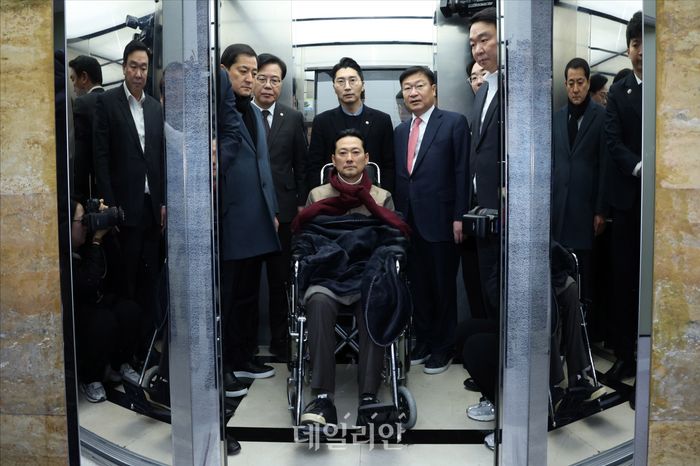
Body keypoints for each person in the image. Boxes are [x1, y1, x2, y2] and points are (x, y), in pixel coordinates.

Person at [292, 128, 410, 427]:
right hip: (327, 272)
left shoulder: (381, 197)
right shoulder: (318, 195)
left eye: (355, 152)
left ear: (366, 158)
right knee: (318, 301)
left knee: (376, 302)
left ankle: (368, 396)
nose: (349, 158)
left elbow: (392, 240)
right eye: (342, 153)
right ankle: (322, 397)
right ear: (333, 160)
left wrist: (381, 265)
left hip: (367, 275)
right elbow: (308, 239)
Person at [393, 66, 468, 374]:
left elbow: (462, 171)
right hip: (408, 222)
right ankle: (423, 341)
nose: (413, 93)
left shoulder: (453, 123)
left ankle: (444, 346)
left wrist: (459, 216)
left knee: (442, 287)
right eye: (407, 88)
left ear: (433, 89)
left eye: (419, 86)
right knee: (418, 287)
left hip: (442, 220)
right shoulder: (400, 131)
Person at [93, 40, 165, 345]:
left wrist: (164, 202)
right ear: (124, 68)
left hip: (152, 208)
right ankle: (127, 350)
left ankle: (148, 345)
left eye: (143, 67)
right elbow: (101, 158)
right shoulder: (107, 103)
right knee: (126, 281)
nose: (138, 73)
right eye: (133, 66)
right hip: (123, 209)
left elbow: (160, 158)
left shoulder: (155, 108)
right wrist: (110, 207)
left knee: (151, 279)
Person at [219, 43, 280, 382]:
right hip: (230, 219)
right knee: (227, 297)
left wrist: (271, 210)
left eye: (253, 73)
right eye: (243, 71)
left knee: (248, 296)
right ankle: (225, 365)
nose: (250, 79)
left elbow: (263, 165)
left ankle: (244, 356)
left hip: (257, 219)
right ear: (224, 71)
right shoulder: (216, 111)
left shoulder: (254, 112)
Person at [252, 53, 308, 360]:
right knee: (247, 284)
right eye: (262, 78)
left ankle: (280, 343)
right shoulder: (240, 115)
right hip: (249, 213)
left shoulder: (293, 117)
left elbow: (302, 164)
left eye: (275, 80)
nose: (268, 85)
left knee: (280, 282)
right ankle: (247, 345)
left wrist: (300, 204)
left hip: (285, 212)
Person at [603, 11, 643, 382]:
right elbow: (613, 142)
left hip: (663, 203)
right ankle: (625, 355)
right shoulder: (619, 91)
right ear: (628, 48)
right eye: (634, 44)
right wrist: (640, 167)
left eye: (646, 43)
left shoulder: (670, 85)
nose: (641, 51)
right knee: (623, 279)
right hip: (628, 200)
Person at [552, 58, 609, 307]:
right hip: (558, 210)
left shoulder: (602, 117)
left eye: (580, 83)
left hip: (585, 210)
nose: (575, 89)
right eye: (571, 83)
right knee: (559, 277)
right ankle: (562, 327)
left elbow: (605, 166)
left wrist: (601, 210)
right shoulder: (557, 118)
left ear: (588, 83)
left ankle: (584, 325)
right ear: (565, 85)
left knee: (584, 276)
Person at [70, 200, 140, 403]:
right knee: (103, 321)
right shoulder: (62, 252)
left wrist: (108, 234)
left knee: (129, 310)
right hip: (78, 307)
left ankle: (119, 363)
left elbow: (118, 271)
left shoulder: (89, 240)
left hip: (97, 300)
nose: (86, 225)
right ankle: (90, 378)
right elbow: (88, 283)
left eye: (87, 219)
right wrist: (96, 242)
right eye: (81, 221)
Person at [306, 57, 395, 193]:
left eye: (352, 80)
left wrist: (384, 197)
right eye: (341, 81)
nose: (347, 87)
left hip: (373, 196)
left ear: (363, 85)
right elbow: (314, 166)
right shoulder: (322, 122)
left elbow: (389, 166)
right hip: (333, 196)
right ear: (334, 87)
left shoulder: (382, 120)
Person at [468, 7, 501, 322]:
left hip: (507, 210)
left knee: (506, 290)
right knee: (489, 289)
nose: (478, 49)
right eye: (473, 44)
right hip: (482, 209)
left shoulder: (516, 87)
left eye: (484, 39)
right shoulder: (483, 91)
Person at [69, 55, 104, 203]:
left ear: (84, 77)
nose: (73, 85)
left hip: (93, 192)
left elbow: (81, 159)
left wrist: (78, 200)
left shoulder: (82, 104)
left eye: (73, 79)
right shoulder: (116, 102)